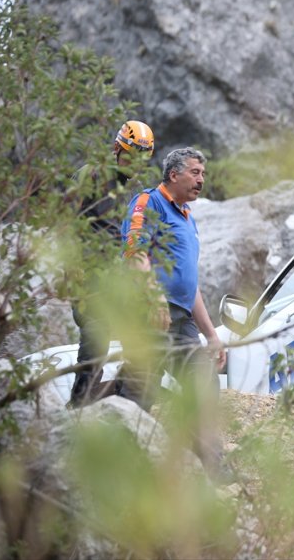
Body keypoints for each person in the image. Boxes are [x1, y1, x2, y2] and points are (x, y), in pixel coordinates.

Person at [119, 147, 227, 472]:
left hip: (183, 322)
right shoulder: (149, 202)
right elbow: (134, 251)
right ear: (173, 174)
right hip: (149, 315)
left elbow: (189, 285)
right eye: (195, 172)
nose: (201, 180)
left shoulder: (187, 218)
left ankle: (212, 467)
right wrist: (152, 297)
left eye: (203, 174)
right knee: (142, 389)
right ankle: (123, 464)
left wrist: (211, 334)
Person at [68, 120, 155, 407]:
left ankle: (127, 402)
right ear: (117, 149)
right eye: (131, 155)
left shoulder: (127, 190)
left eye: (142, 158)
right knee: (96, 337)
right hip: (89, 280)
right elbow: (64, 219)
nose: (136, 163)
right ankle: (80, 406)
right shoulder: (90, 175)